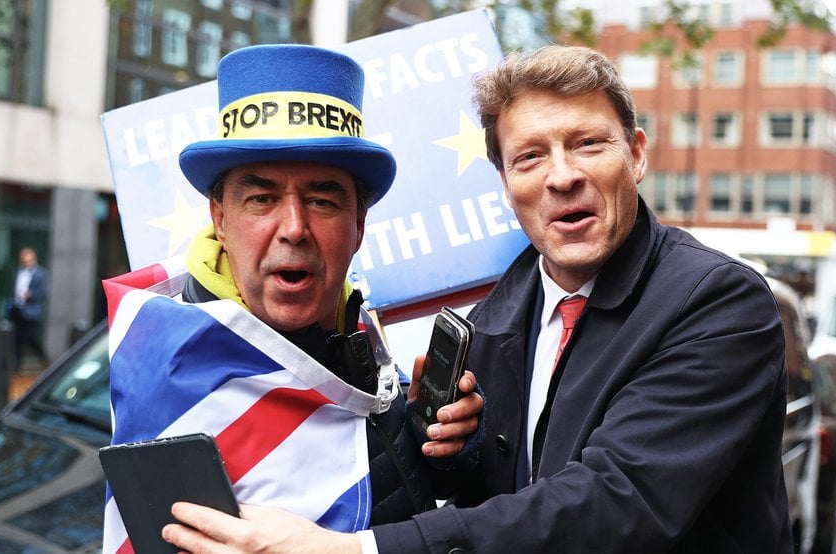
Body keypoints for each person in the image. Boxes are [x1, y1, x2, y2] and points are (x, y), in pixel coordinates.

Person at [161, 45, 792, 553]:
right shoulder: (490, 319)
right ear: (505, 183)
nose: (562, 175)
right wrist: (454, 450)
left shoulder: (720, 305)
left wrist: (352, 551)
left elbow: (617, 503)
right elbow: (500, 500)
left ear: (637, 154)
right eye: (530, 156)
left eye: (588, 144)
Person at [106, 43, 483, 543]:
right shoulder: (171, 373)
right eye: (262, 199)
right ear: (220, 219)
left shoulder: (354, 326)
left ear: (359, 224)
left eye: (322, 201)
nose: (294, 228)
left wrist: (440, 445)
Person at [9, 246, 49, 369]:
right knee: (17, 337)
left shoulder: (41, 273)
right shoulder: (17, 271)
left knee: (31, 336)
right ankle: (17, 363)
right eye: (23, 260)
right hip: (18, 308)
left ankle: (43, 357)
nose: (25, 263)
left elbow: (43, 292)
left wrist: (30, 295)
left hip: (31, 310)